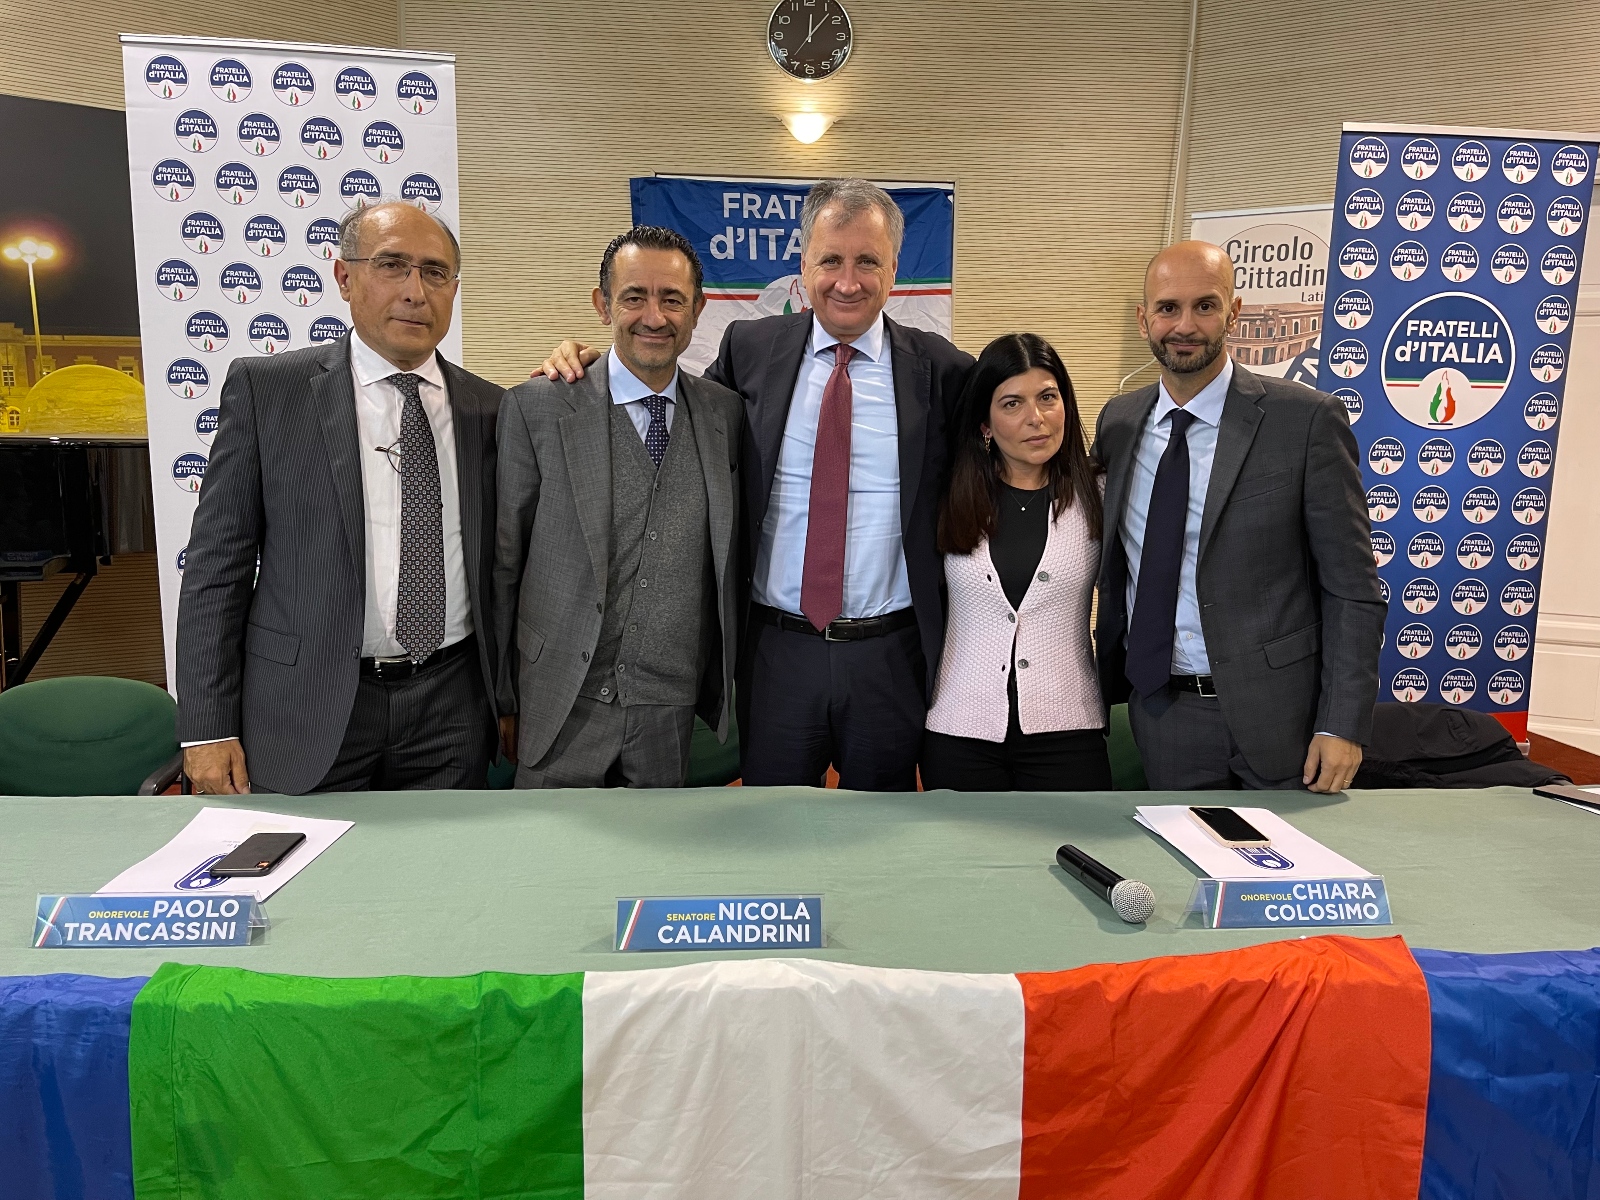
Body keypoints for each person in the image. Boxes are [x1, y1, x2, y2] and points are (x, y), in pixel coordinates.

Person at [538, 179, 973, 791]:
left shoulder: (945, 371)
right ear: (803, 265)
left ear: (895, 268)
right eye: (830, 260)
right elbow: (675, 406)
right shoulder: (750, 348)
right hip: (776, 654)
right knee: (771, 822)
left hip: (889, 656)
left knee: (884, 827)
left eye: (868, 262)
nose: (847, 282)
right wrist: (597, 364)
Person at [177, 200, 511, 795]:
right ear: (344, 277)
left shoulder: (492, 408)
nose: (415, 291)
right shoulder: (268, 391)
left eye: (435, 272)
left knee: (444, 856)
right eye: (392, 265)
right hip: (305, 704)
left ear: (454, 290)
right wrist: (206, 728)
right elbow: (215, 569)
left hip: (452, 708)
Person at [1093, 241, 1384, 792]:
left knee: (1288, 853)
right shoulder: (1119, 422)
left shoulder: (1305, 420)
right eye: (1168, 308)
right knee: (1176, 848)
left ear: (1234, 312)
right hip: (1165, 713)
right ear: (1143, 319)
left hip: (1285, 718)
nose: (1185, 325)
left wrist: (1341, 723)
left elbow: (1352, 588)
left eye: (1205, 306)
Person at [494, 227, 742, 787]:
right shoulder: (537, 408)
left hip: (670, 712)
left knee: (658, 848)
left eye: (672, 298)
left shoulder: (726, 415)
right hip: (558, 700)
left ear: (698, 310)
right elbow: (504, 566)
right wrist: (504, 696)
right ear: (603, 304)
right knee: (547, 846)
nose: (654, 316)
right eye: (634, 297)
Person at [921, 333, 1110, 791]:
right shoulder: (947, 494)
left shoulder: (1100, 493)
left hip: (1069, 729)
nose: (1035, 418)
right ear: (985, 424)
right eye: (1012, 404)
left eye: (1048, 397)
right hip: (959, 730)